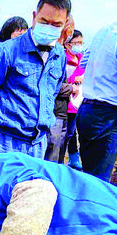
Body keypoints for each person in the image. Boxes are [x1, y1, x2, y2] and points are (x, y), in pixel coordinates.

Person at [0, 0, 70, 158]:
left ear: (65, 24)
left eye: (56, 24)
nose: (48, 28)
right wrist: (1, 119)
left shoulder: (59, 55)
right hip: (6, 143)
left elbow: (53, 92)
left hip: (39, 144)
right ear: (34, 17)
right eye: (44, 21)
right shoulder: (8, 51)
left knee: (32, 185)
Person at [77, 2, 117, 181]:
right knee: (98, 182)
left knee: (89, 176)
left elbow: (84, 62)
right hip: (107, 115)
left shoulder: (106, 30)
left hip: (87, 109)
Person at [45, 16, 76, 162]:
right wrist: (71, 88)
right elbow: (50, 85)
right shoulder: (53, 52)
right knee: (51, 156)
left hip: (63, 112)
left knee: (58, 155)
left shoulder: (60, 52)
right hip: (54, 112)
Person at [62, 29, 85, 167]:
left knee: (73, 132)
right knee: (66, 133)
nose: (78, 45)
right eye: (76, 42)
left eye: (81, 42)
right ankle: (63, 157)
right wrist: (74, 79)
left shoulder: (82, 59)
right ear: (67, 44)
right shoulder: (63, 59)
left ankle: (73, 158)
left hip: (79, 103)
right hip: (66, 103)